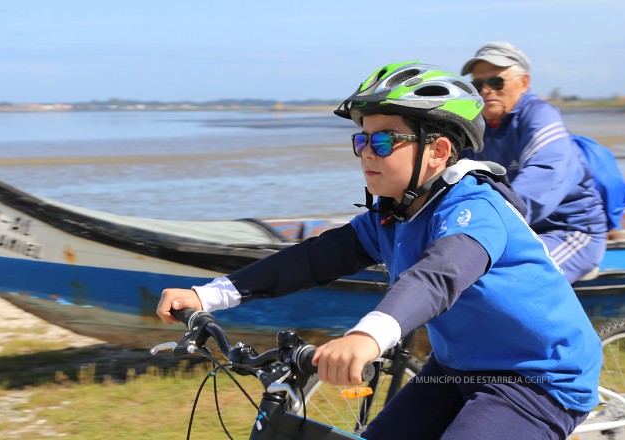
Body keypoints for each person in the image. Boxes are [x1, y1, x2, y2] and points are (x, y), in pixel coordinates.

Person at [157, 61, 602, 439]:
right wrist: (210, 294)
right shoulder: (393, 214)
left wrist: (366, 337)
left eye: (384, 140)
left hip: (538, 378)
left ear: (438, 150)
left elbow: (439, 275)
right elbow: (315, 257)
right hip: (457, 368)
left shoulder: (477, 209)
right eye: (362, 139)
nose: (367, 152)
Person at [460, 41, 608, 284]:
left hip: (567, 231)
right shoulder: (477, 127)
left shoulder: (540, 116)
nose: (486, 90)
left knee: (509, 283)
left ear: (524, 82)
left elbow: (544, 176)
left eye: (496, 82)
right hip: (517, 231)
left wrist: (486, 225)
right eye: (477, 84)